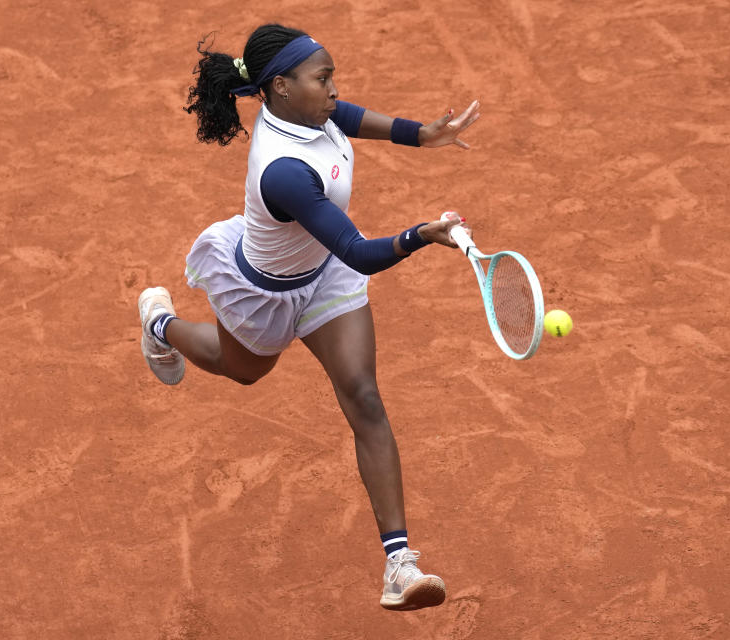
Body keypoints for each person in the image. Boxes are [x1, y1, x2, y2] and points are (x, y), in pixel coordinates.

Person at [138, 23, 480, 610]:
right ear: (279, 88)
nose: (333, 90)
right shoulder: (283, 171)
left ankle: (400, 564)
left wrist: (421, 135)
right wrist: (422, 234)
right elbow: (362, 254)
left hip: (324, 277)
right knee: (242, 370)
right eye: (323, 79)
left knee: (364, 396)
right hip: (265, 291)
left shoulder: (310, 110)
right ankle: (160, 324)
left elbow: (349, 116)